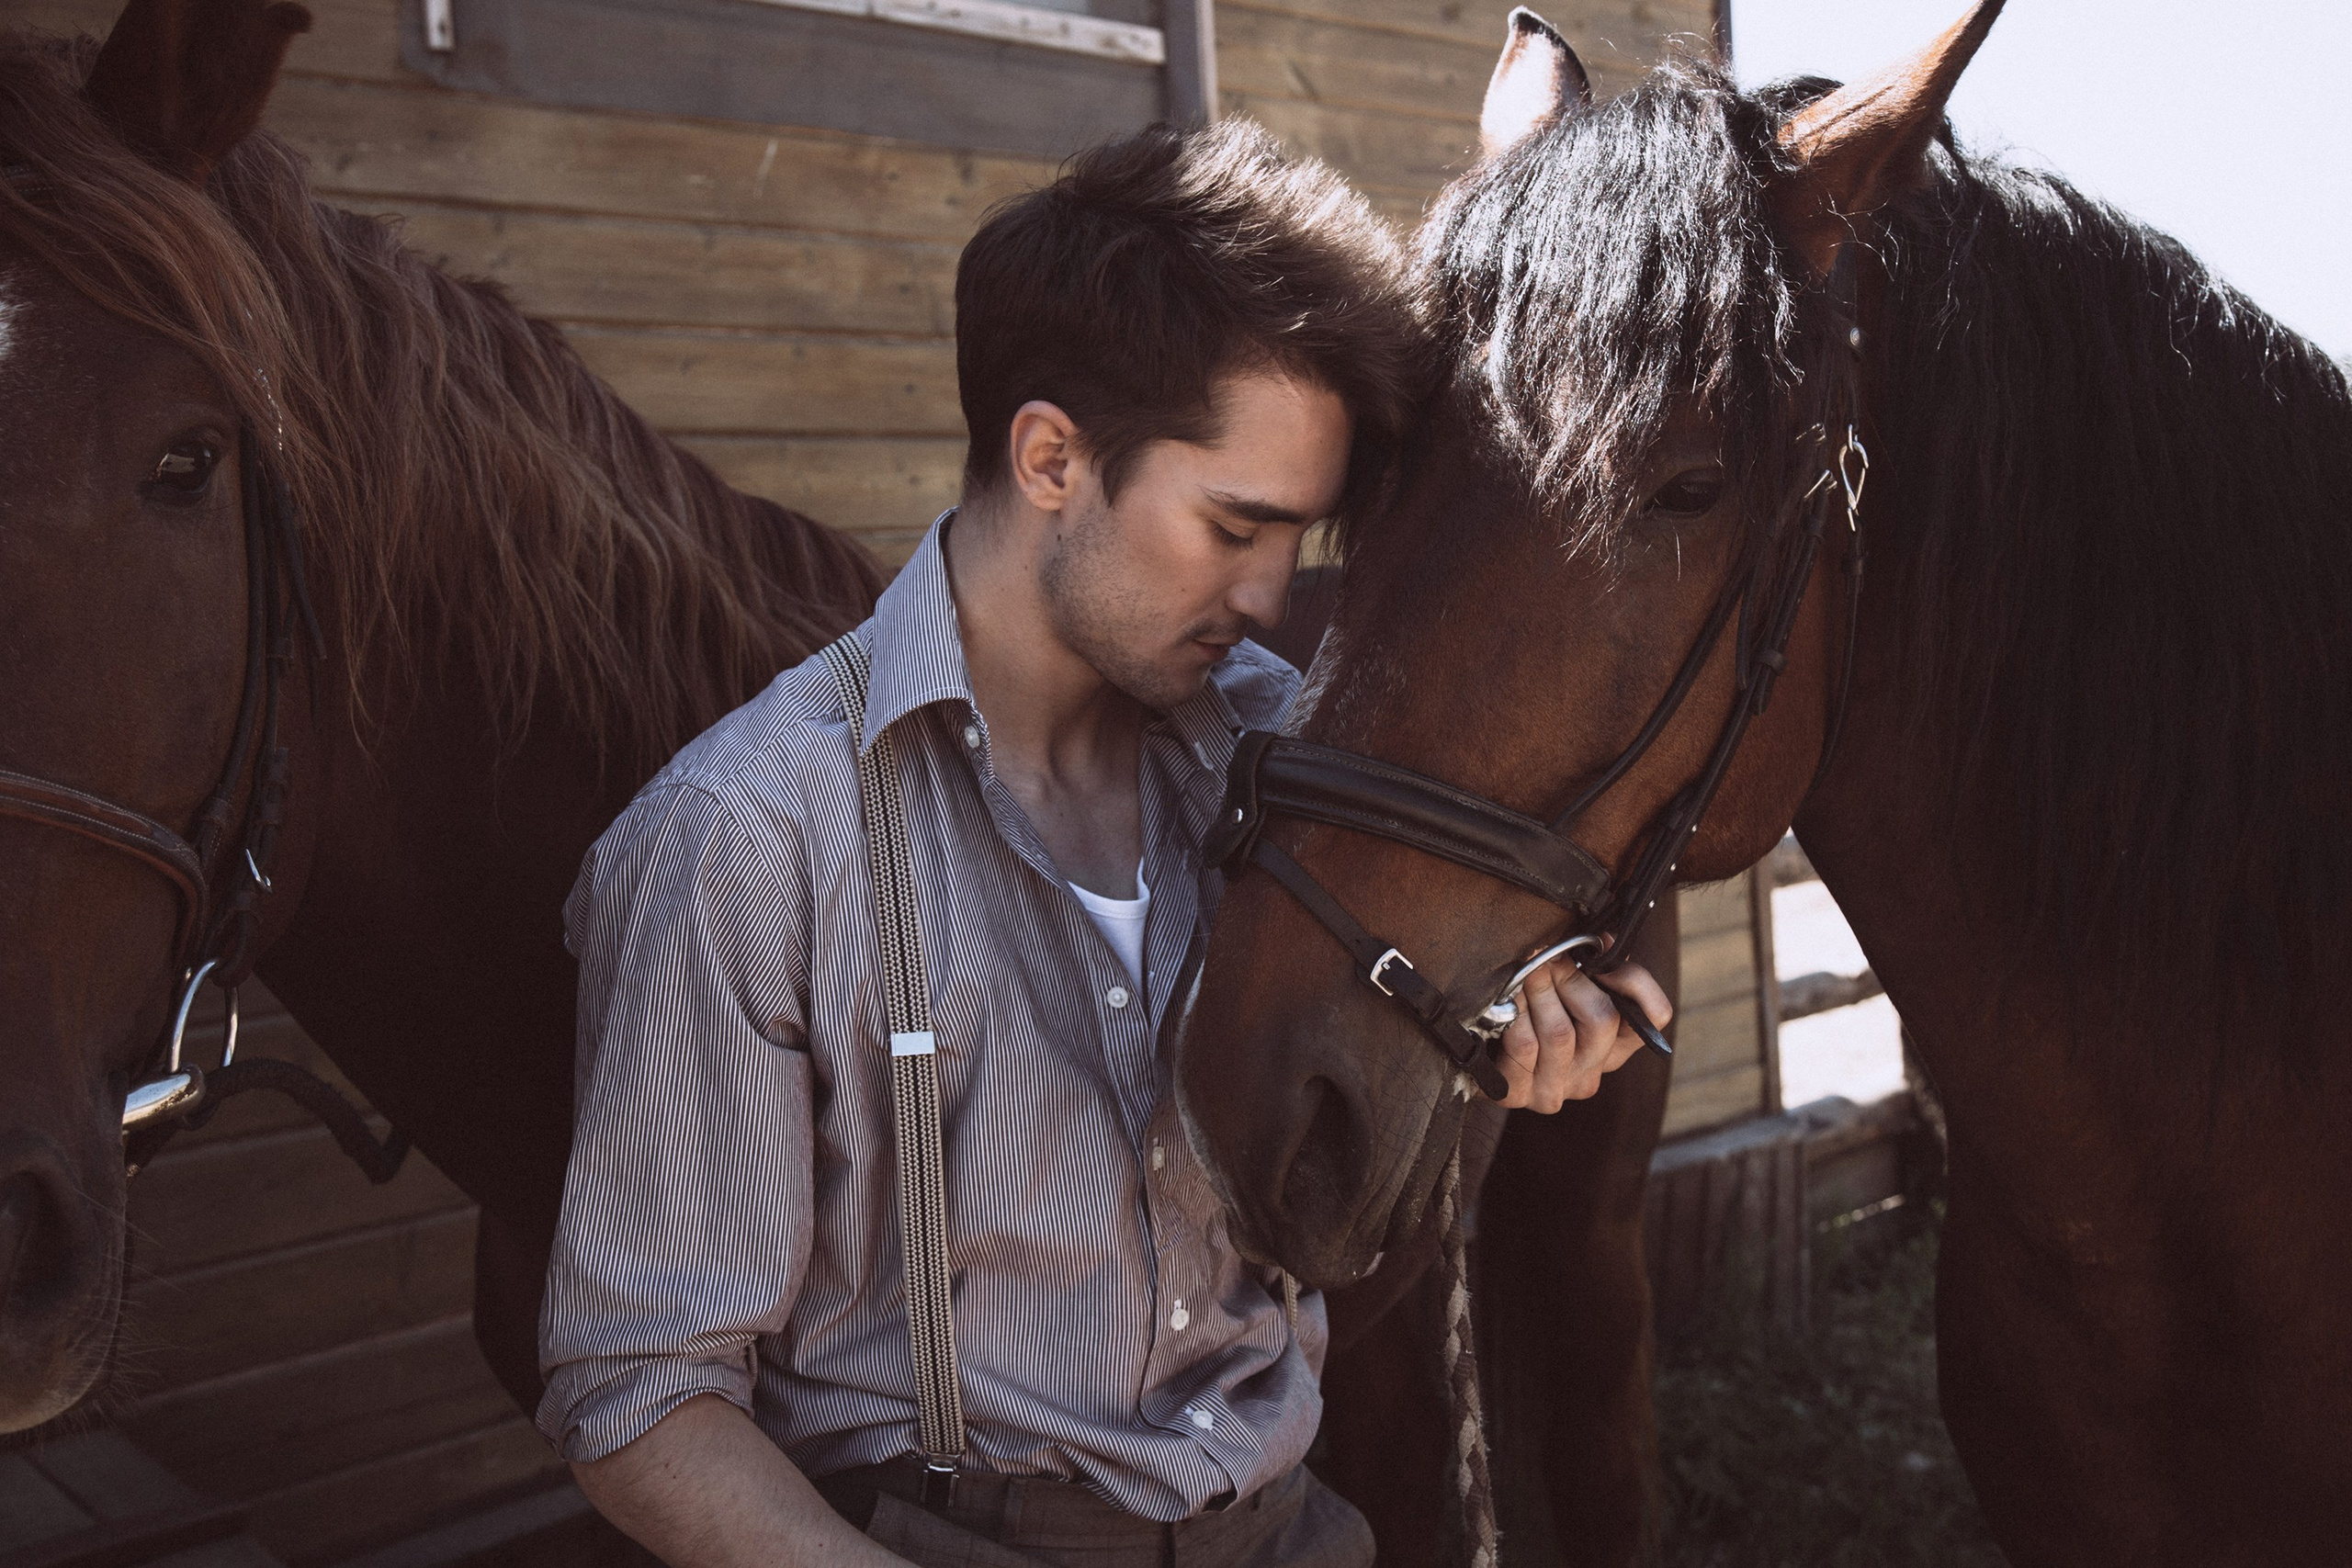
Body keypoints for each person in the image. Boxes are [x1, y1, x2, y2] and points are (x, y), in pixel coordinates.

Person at [537, 119, 1669, 1568]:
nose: (1269, 598)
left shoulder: (1281, 759)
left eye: (1300, 542)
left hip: (1292, 1531)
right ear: (1052, 457)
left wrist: (1519, 1034)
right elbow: (641, 1396)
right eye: (1234, 528)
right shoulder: (746, 837)